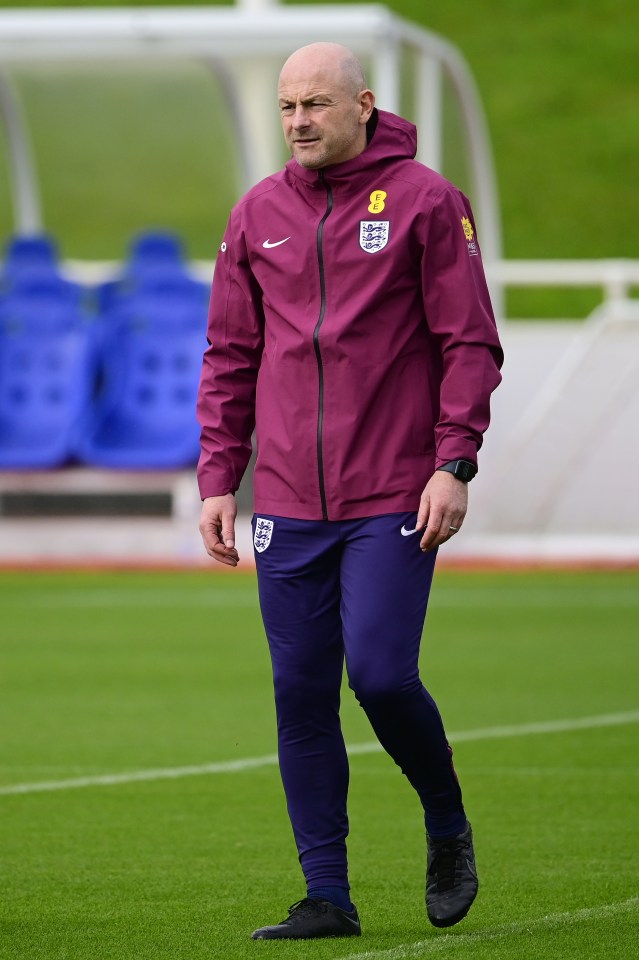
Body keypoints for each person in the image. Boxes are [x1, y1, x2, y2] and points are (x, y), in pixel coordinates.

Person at [197, 42, 503, 941]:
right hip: (286, 500)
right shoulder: (256, 213)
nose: (298, 121)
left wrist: (454, 462)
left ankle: (445, 823)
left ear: (362, 105)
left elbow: (468, 344)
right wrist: (221, 478)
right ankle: (325, 895)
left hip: (392, 494)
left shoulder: (425, 202)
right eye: (288, 107)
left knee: (376, 674)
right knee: (299, 694)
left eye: (316, 105)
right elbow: (229, 357)